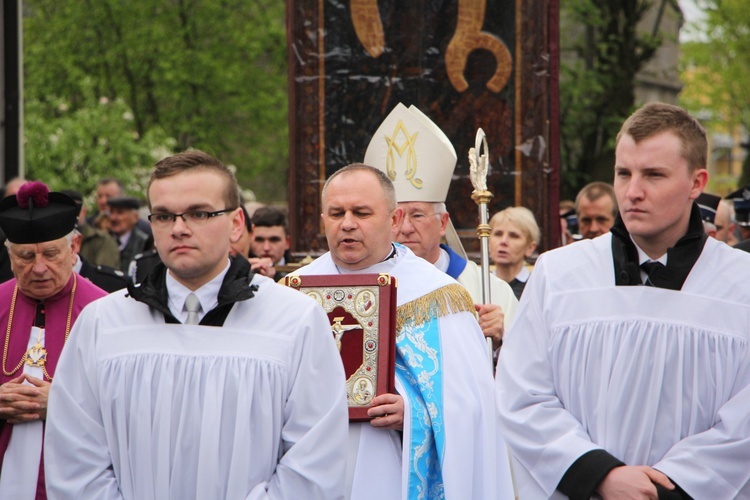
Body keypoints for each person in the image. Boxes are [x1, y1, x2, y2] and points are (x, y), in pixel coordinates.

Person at [44, 150, 349, 499]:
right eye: (163, 216)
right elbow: (75, 459)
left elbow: (314, 462)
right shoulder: (103, 324)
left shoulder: (294, 321)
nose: (178, 229)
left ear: (236, 224)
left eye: (198, 213)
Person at [496, 102, 750, 499]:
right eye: (623, 173)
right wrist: (601, 475)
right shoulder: (558, 274)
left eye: (653, 175)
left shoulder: (742, 284)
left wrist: (661, 489)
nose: (632, 192)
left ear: (696, 183)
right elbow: (522, 396)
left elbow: (743, 424)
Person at [293, 163, 514, 500]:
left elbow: (473, 407)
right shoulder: (293, 294)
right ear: (323, 219)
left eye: (362, 212)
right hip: (308, 470)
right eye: (336, 213)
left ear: (393, 220)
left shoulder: (439, 296)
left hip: (391, 471)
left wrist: (412, 413)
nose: (347, 223)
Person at [364, 102, 518, 350]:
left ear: (442, 223)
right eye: (396, 217)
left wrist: (502, 338)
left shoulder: (487, 289)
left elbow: (526, 367)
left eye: (417, 215)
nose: (405, 228)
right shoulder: (367, 284)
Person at [0, 181, 107, 498]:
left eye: (50, 253)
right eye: (25, 257)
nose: (39, 268)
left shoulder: (106, 312)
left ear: (74, 247)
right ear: (9, 255)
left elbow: (127, 408)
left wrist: (62, 405)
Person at [60, 189, 120, 269]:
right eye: (63, 211)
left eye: (75, 210)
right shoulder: (48, 241)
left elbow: (104, 276)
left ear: (84, 211)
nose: (70, 216)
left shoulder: (102, 240)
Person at [488, 206, 540, 299]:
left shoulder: (537, 287)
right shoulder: (480, 284)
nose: (503, 241)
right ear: (488, 243)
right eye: (498, 234)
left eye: (514, 236)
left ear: (530, 248)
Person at [107, 196, 151, 273]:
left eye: (120, 213)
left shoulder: (145, 243)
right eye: (111, 212)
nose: (113, 218)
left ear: (135, 217)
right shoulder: (102, 241)